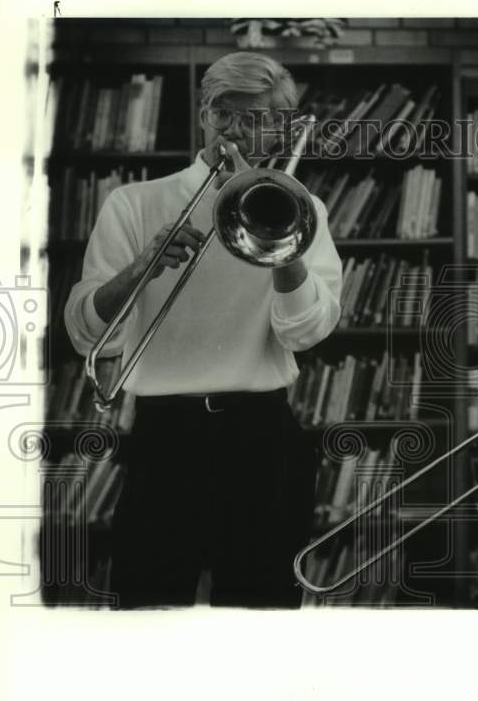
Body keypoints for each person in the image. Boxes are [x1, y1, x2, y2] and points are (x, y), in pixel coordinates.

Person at [65, 52, 343, 608]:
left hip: (262, 436)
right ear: (201, 114)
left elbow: (307, 332)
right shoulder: (134, 203)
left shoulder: (301, 208)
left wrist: (281, 241)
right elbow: (89, 334)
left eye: (257, 117)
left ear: (281, 128)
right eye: (223, 112)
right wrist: (144, 266)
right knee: (148, 605)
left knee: (262, 611)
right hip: (168, 437)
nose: (236, 130)